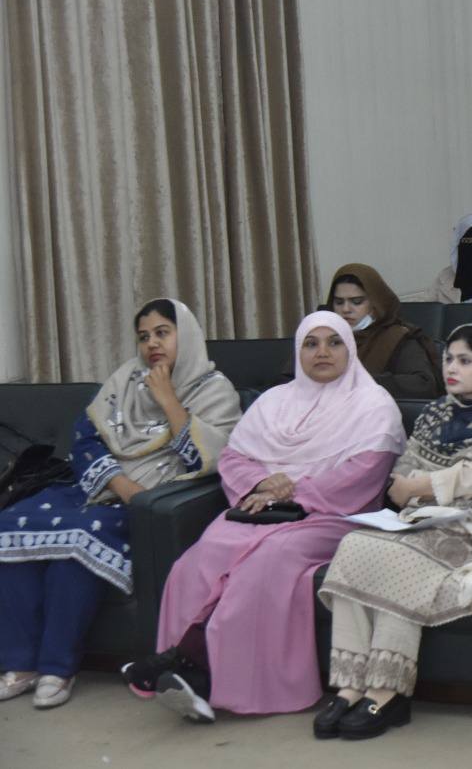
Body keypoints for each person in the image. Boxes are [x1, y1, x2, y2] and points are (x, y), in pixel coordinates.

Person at [123, 311, 407, 722]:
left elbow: (365, 472)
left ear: (350, 349)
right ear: (298, 352)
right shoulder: (273, 401)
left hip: (332, 516)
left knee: (267, 562)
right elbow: (234, 457)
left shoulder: (374, 405)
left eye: (334, 342)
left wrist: (292, 493)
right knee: (203, 556)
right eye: (311, 343)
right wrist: (260, 485)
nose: (322, 352)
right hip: (259, 511)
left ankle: (199, 673)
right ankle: (184, 668)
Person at [0, 299, 240, 709]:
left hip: (154, 498)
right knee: (11, 525)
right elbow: (85, 438)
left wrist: (168, 400)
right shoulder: (125, 379)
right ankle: (20, 664)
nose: (152, 344)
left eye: (163, 333)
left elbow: (208, 461)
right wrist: (121, 484)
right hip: (100, 488)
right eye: (144, 337)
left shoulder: (216, 391)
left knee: (78, 542)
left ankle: (58, 667)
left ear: (186, 335)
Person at [314, 322, 472, 739]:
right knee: (353, 545)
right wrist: (450, 482)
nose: (451, 368)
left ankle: (386, 691)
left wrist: (433, 483)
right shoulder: (436, 411)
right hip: (424, 518)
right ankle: (349, 684)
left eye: (465, 361)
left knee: (399, 558)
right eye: (448, 359)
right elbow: (399, 483)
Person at [324, 264, 443, 399]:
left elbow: (423, 384)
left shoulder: (396, 338)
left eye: (356, 301)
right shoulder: (323, 339)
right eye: (339, 302)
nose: (346, 309)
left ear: (375, 304)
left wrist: (361, 381)